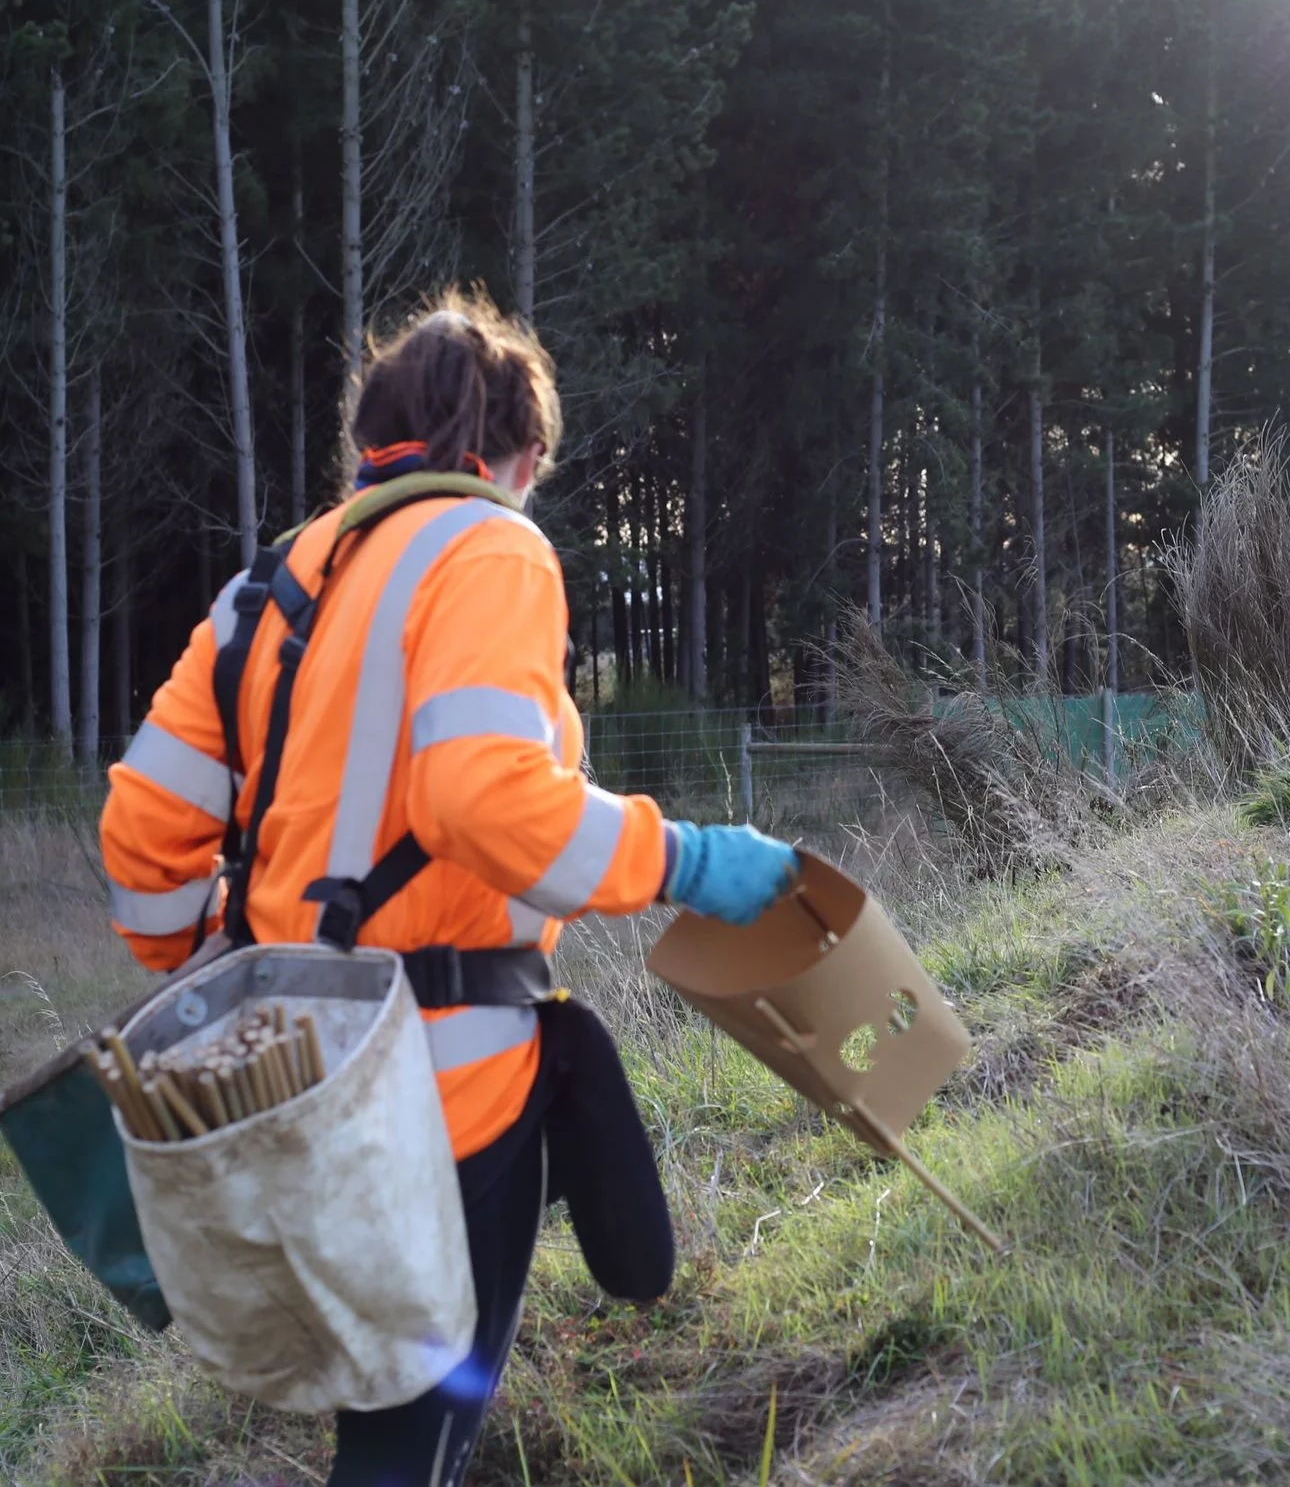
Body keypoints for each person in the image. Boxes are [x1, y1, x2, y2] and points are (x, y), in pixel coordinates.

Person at [97, 287, 799, 1487]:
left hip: (277, 1080)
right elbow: (481, 796)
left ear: (372, 445)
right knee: (410, 1439)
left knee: (379, 1417)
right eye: (536, 468)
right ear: (514, 454)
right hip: (441, 1094)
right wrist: (683, 858)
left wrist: (211, 962)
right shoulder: (492, 546)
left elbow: (140, 832)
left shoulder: (265, 588)